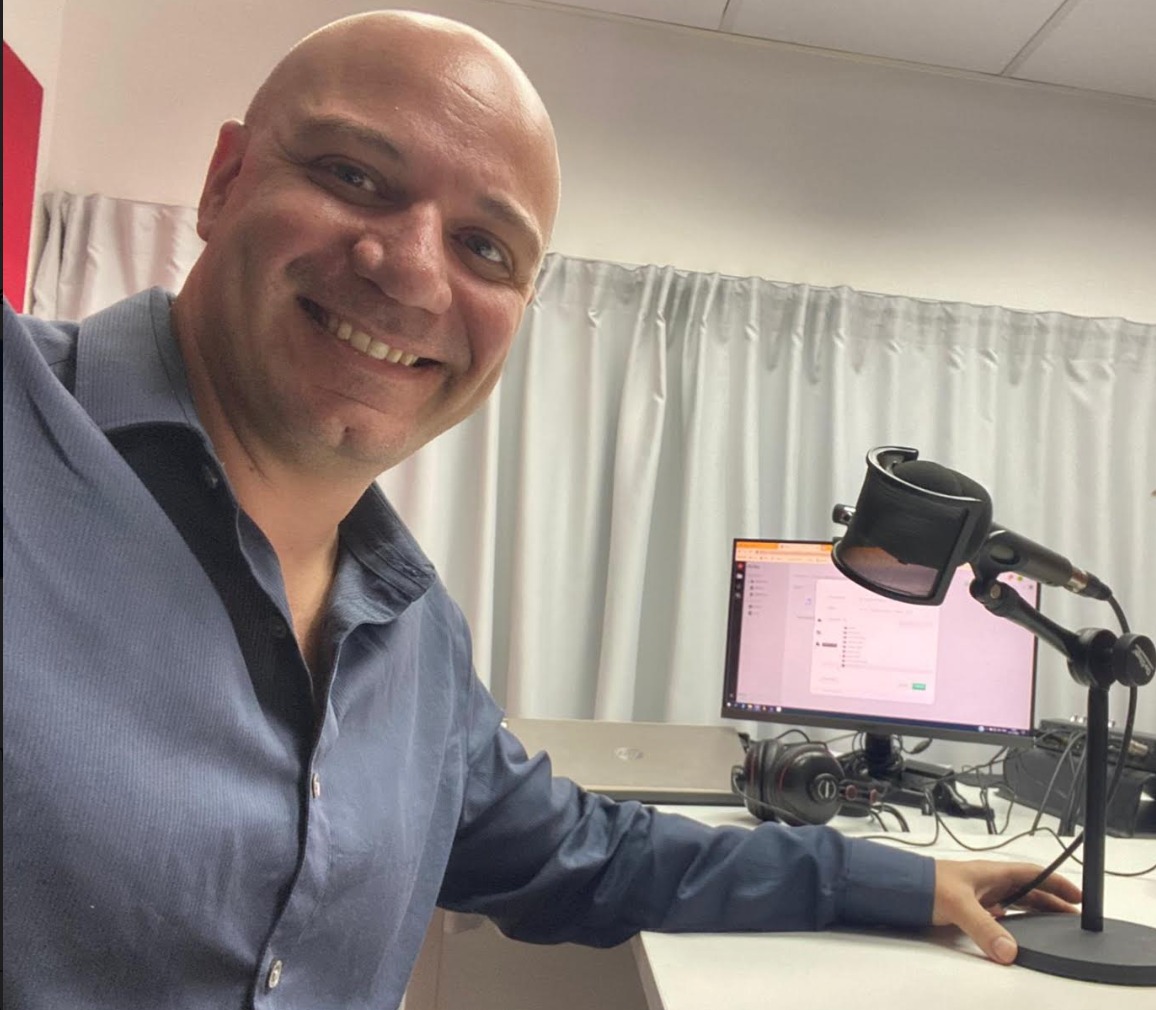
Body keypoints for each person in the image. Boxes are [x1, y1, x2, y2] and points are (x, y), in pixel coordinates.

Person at [2, 10, 1080, 1009]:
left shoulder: (414, 635)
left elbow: (587, 853)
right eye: (353, 175)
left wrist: (906, 881)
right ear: (224, 181)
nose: (410, 271)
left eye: (485, 248)